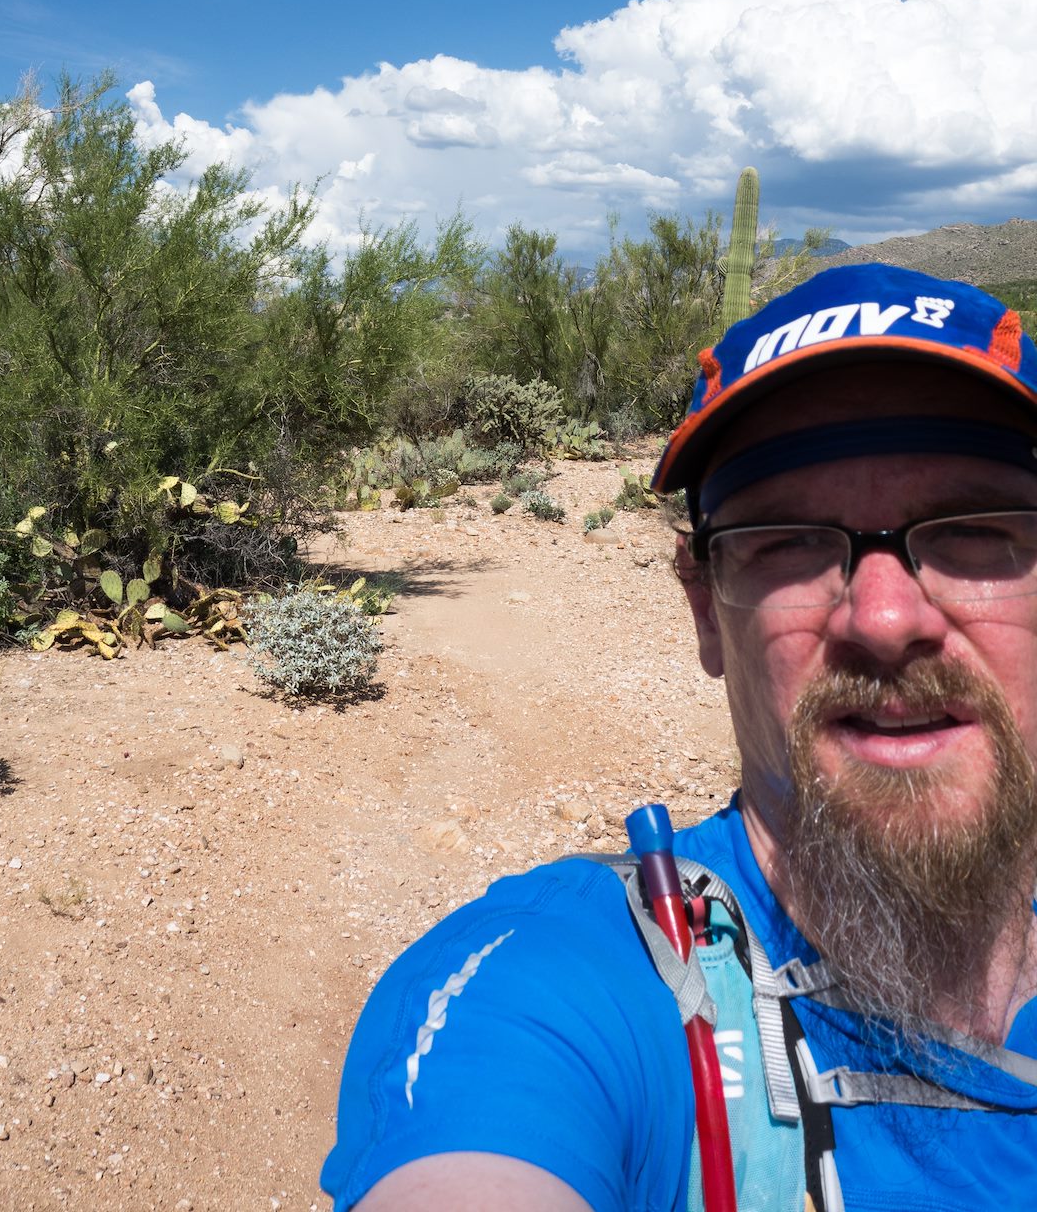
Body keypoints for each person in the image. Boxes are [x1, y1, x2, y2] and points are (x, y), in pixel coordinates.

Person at [321, 263, 1037, 1211]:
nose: (884, 618)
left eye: (975, 529)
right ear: (706, 608)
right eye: (788, 541)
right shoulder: (570, 987)